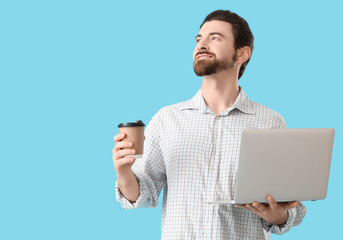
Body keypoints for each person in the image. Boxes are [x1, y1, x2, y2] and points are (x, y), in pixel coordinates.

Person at [112, 9, 306, 239]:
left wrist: (278, 217)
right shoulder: (167, 119)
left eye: (215, 38)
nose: (201, 44)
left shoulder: (270, 122)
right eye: (198, 39)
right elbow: (143, 194)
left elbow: (292, 208)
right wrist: (124, 172)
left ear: (242, 53)